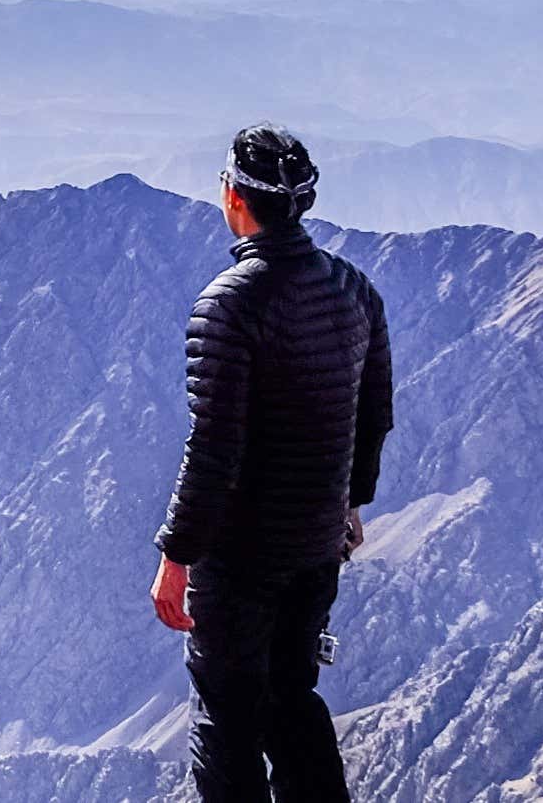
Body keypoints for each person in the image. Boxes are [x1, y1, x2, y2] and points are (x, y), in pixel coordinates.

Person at [148, 124, 391, 803]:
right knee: (291, 700)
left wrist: (177, 553)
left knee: (226, 719)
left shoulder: (229, 305)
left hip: (243, 558)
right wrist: (351, 505)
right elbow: (373, 414)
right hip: (317, 547)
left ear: (233, 196)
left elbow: (214, 446)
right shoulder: (355, 289)